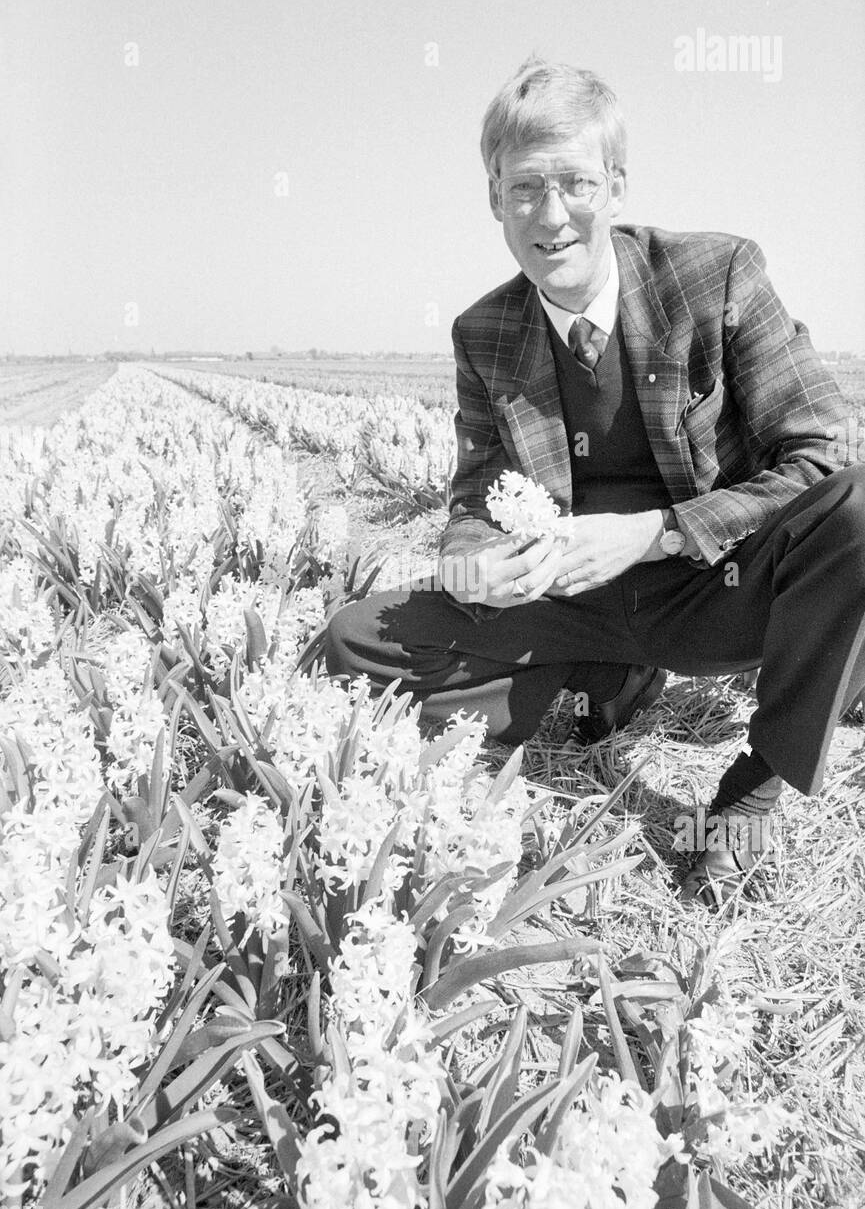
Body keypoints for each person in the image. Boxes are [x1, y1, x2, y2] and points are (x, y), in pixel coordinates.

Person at [324, 58, 865, 908]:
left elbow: (821, 456)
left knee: (861, 515)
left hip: (717, 586)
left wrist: (656, 531)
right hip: (573, 595)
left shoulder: (713, 274)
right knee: (353, 642)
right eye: (521, 189)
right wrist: (470, 558)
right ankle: (606, 677)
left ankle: (757, 780)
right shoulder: (485, 330)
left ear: (614, 185)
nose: (549, 216)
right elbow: (474, 495)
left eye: (573, 182)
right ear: (493, 198)